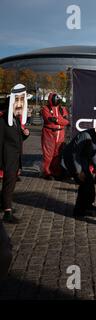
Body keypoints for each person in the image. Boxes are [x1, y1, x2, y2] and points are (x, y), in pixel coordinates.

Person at [0, 84, 30, 223]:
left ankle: (4, 205)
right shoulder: (3, 121)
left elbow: (17, 139)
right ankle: (7, 212)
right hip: (7, 158)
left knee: (10, 184)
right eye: (16, 101)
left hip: (15, 158)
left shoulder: (15, 120)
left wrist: (25, 134)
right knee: (9, 184)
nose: (19, 104)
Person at [41, 93, 70, 180]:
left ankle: (56, 172)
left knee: (58, 154)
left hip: (60, 133)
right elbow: (49, 120)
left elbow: (67, 122)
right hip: (49, 133)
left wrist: (56, 119)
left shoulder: (62, 109)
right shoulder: (45, 109)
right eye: (55, 98)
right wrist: (59, 120)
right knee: (48, 154)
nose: (56, 100)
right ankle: (47, 172)